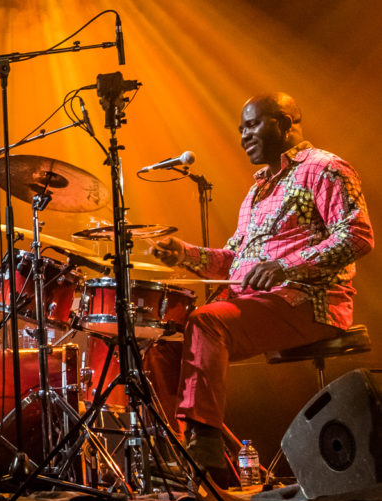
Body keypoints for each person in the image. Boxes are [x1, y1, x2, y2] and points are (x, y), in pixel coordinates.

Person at [149, 93, 373, 473]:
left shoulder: (324, 168)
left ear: (284, 123)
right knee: (160, 349)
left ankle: (205, 451)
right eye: (240, 129)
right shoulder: (258, 191)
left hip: (309, 301)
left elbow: (357, 235)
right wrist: (184, 253)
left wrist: (287, 266)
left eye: (251, 125)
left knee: (207, 321)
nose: (243, 137)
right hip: (260, 303)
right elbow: (235, 260)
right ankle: (182, 448)